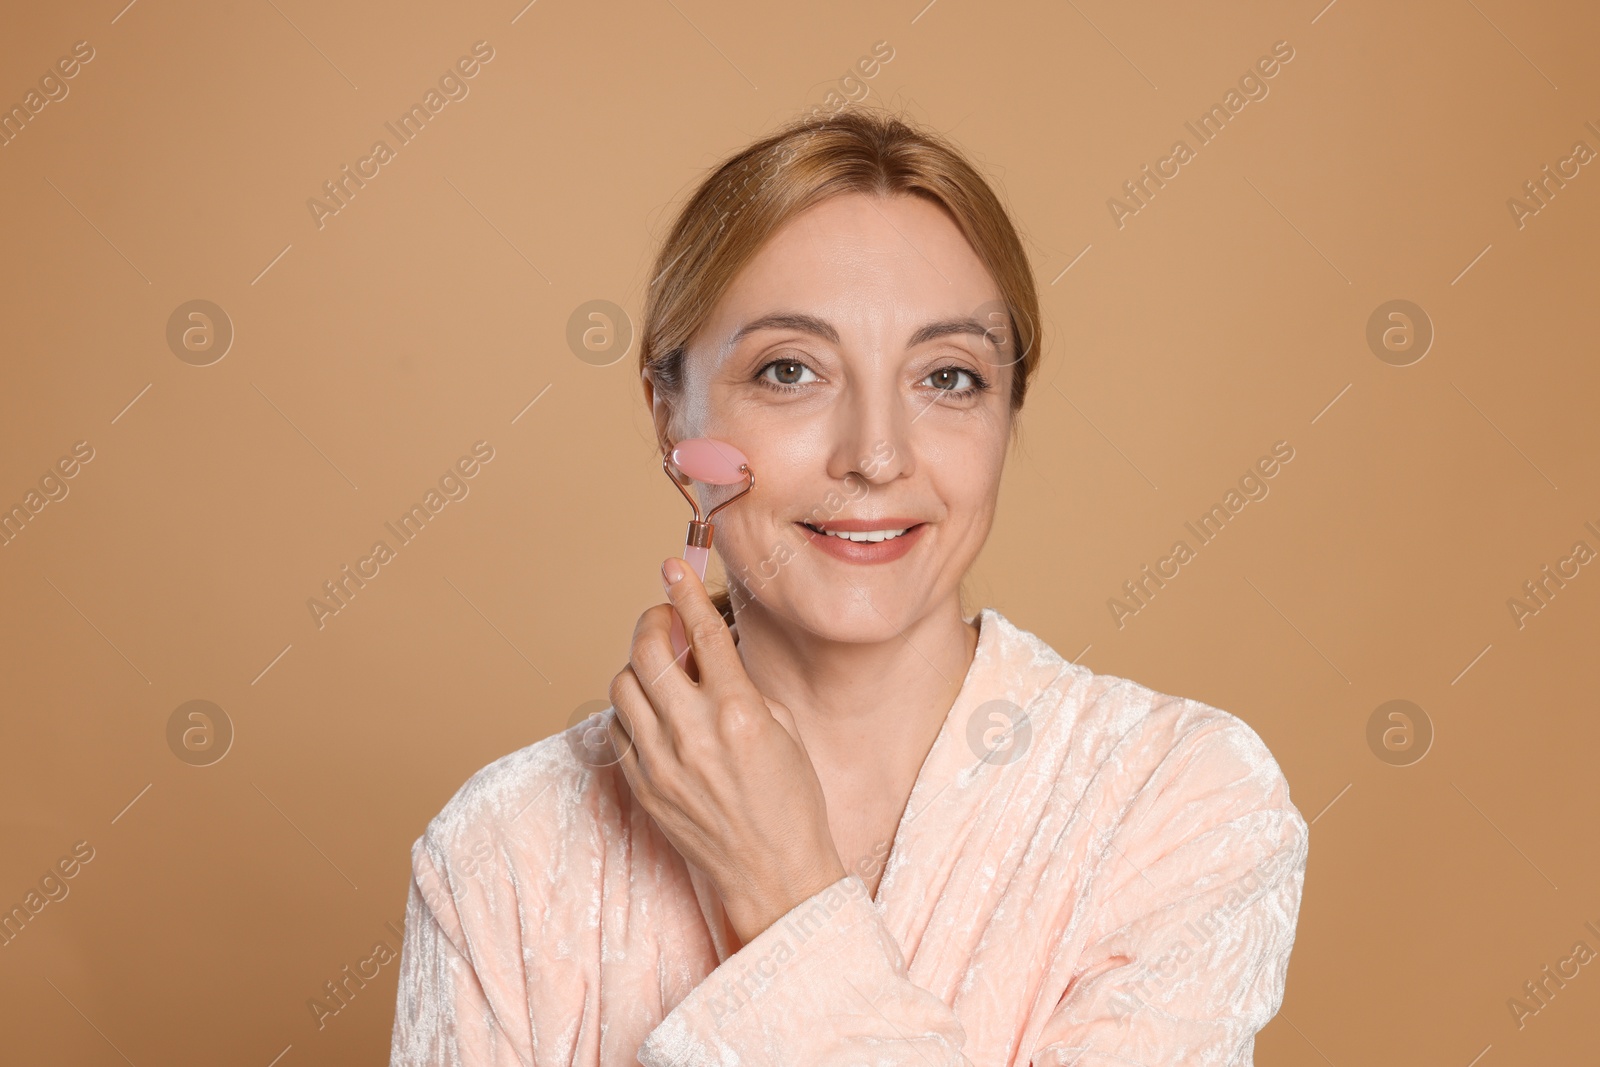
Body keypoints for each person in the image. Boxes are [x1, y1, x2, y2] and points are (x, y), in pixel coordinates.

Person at [390, 108, 1308, 1066]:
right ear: (670, 414)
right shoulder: (504, 849)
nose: (875, 456)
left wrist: (783, 888)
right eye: (790, 371)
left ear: (1007, 415)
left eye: (947, 378)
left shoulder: (1180, 802)